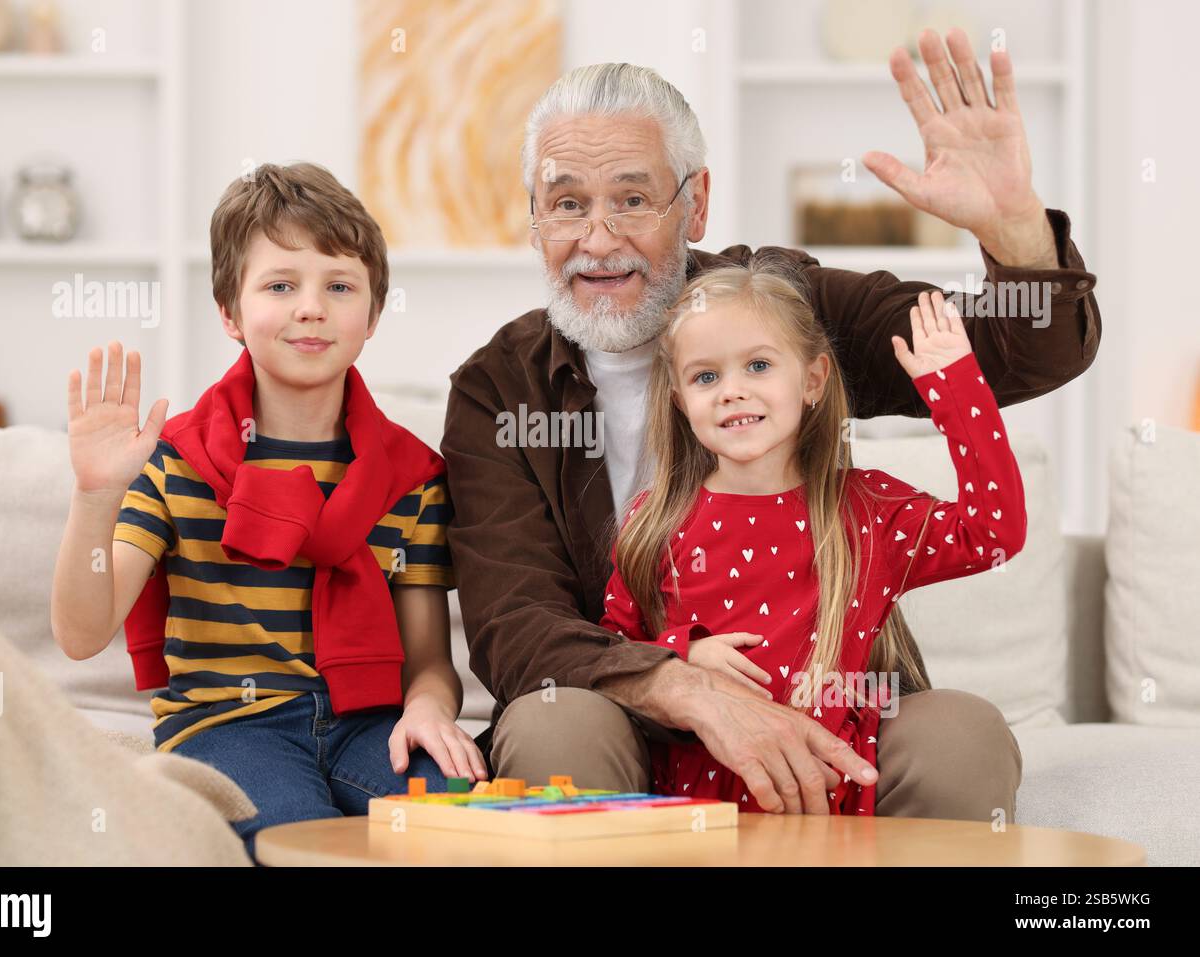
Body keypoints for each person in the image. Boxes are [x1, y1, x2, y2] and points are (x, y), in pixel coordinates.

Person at [442, 31, 1098, 821]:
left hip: (834, 707)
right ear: (535, 220)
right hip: (626, 714)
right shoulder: (496, 389)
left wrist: (1015, 230)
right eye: (568, 204)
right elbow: (516, 624)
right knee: (555, 723)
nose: (598, 238)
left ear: (698, 203)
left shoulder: (787, 306)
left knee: (962, 735)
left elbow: (1015, 355)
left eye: (633, 198)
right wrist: (685, 685)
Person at [51, 162, 485, 861]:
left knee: (470, 830)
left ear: (372, 315)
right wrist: (96, 496)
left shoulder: (412, 476)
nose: (311, 307)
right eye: (280, 285)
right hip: (226, 726)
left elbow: (430, 660)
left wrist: (430, 707)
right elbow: (81, 632)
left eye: (339, 286)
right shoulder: (175, 461)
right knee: (302, 842)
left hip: (366, 724)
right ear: (229, 311)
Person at [600, 261, 1025, 814]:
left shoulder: (869, 511)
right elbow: (610, 654)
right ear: (680, 401)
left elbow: (993, 532)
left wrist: (955, 390)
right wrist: (681, 657)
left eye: (758, 366)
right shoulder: (653, 520)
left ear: (813, 381)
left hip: (838, 799)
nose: (732, 392)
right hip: (699, 803)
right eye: (706, 377)